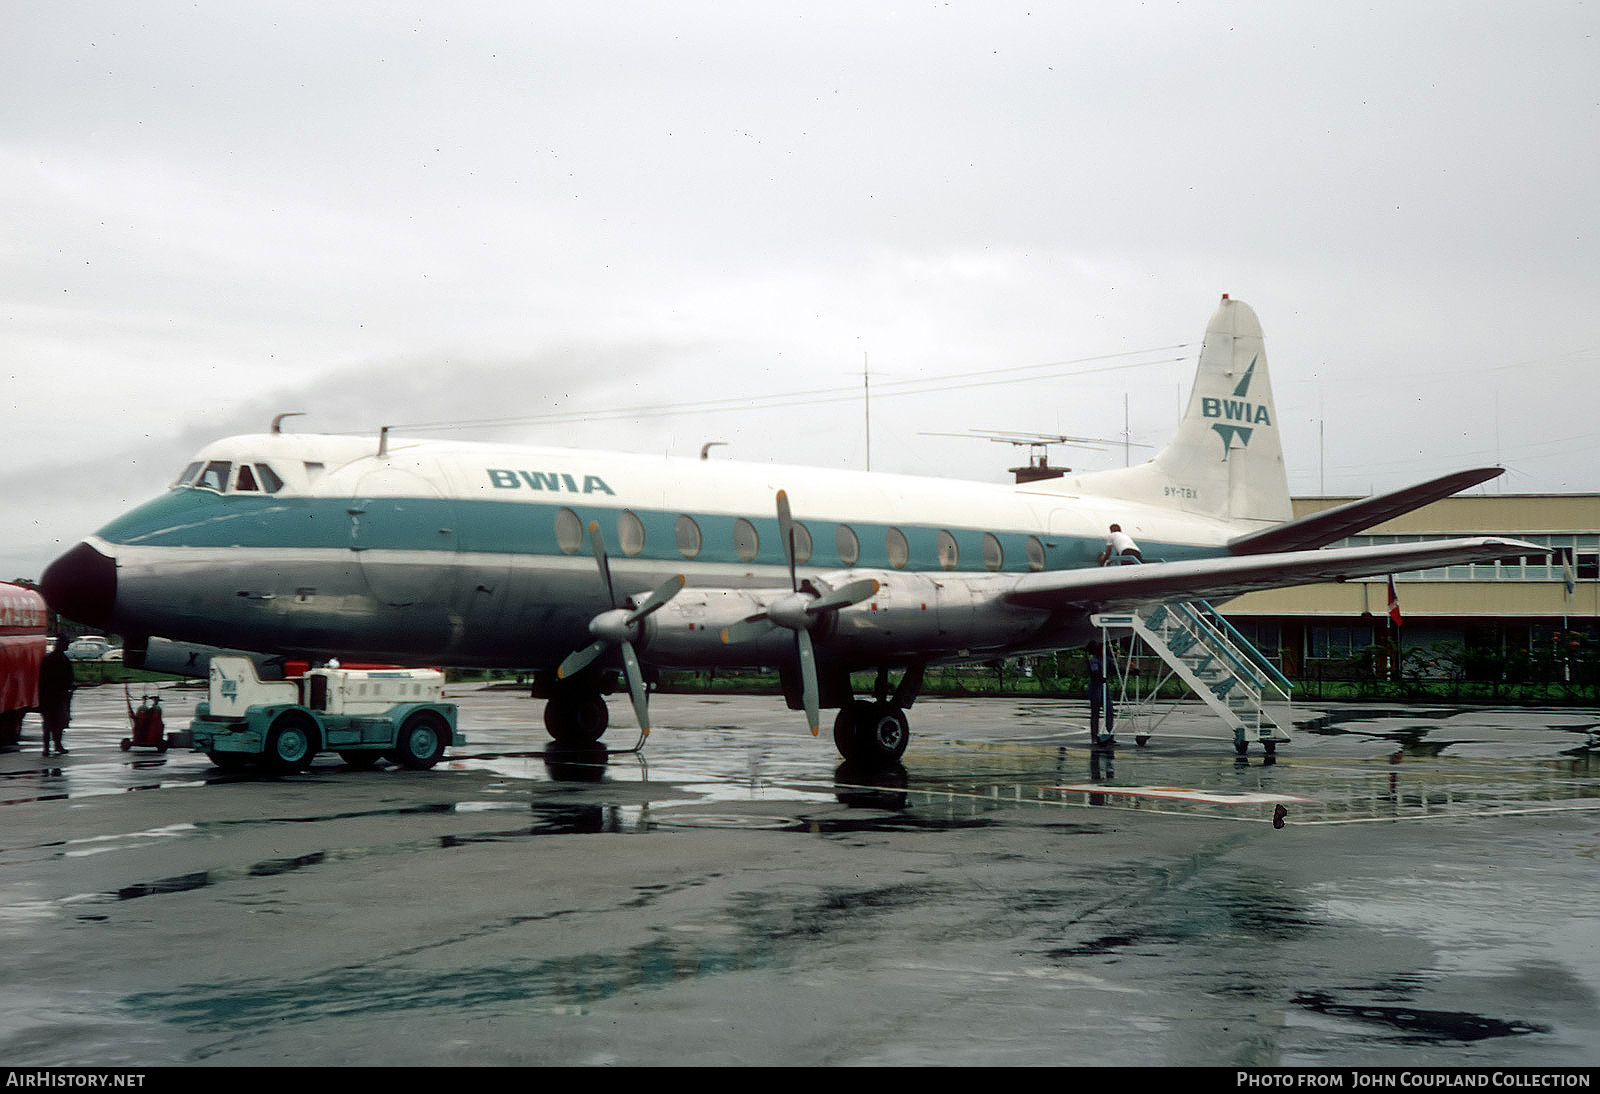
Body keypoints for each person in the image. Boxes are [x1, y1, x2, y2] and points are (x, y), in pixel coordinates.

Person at [38, 635, 75, 757]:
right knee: (58, 723)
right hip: (58, 697)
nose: (67, 646)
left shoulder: (48, 659)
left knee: (48, 724)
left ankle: (47, 748)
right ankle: (57, 745)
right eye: (66, 644)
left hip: (48, 697)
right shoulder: (63, 660)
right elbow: (69, 678)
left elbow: (41, 680)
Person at [1087, 641, 1114, 745]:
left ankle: (1110, 734)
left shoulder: (1107, 659)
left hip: (1104, 687)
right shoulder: (1094, 659)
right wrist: (1100, 677)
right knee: (1095, 713)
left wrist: (1131, 671)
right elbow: (1095, 671)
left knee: (1109, 711)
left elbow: (1115, 669)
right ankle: (1094, 736)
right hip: (1096, 687)